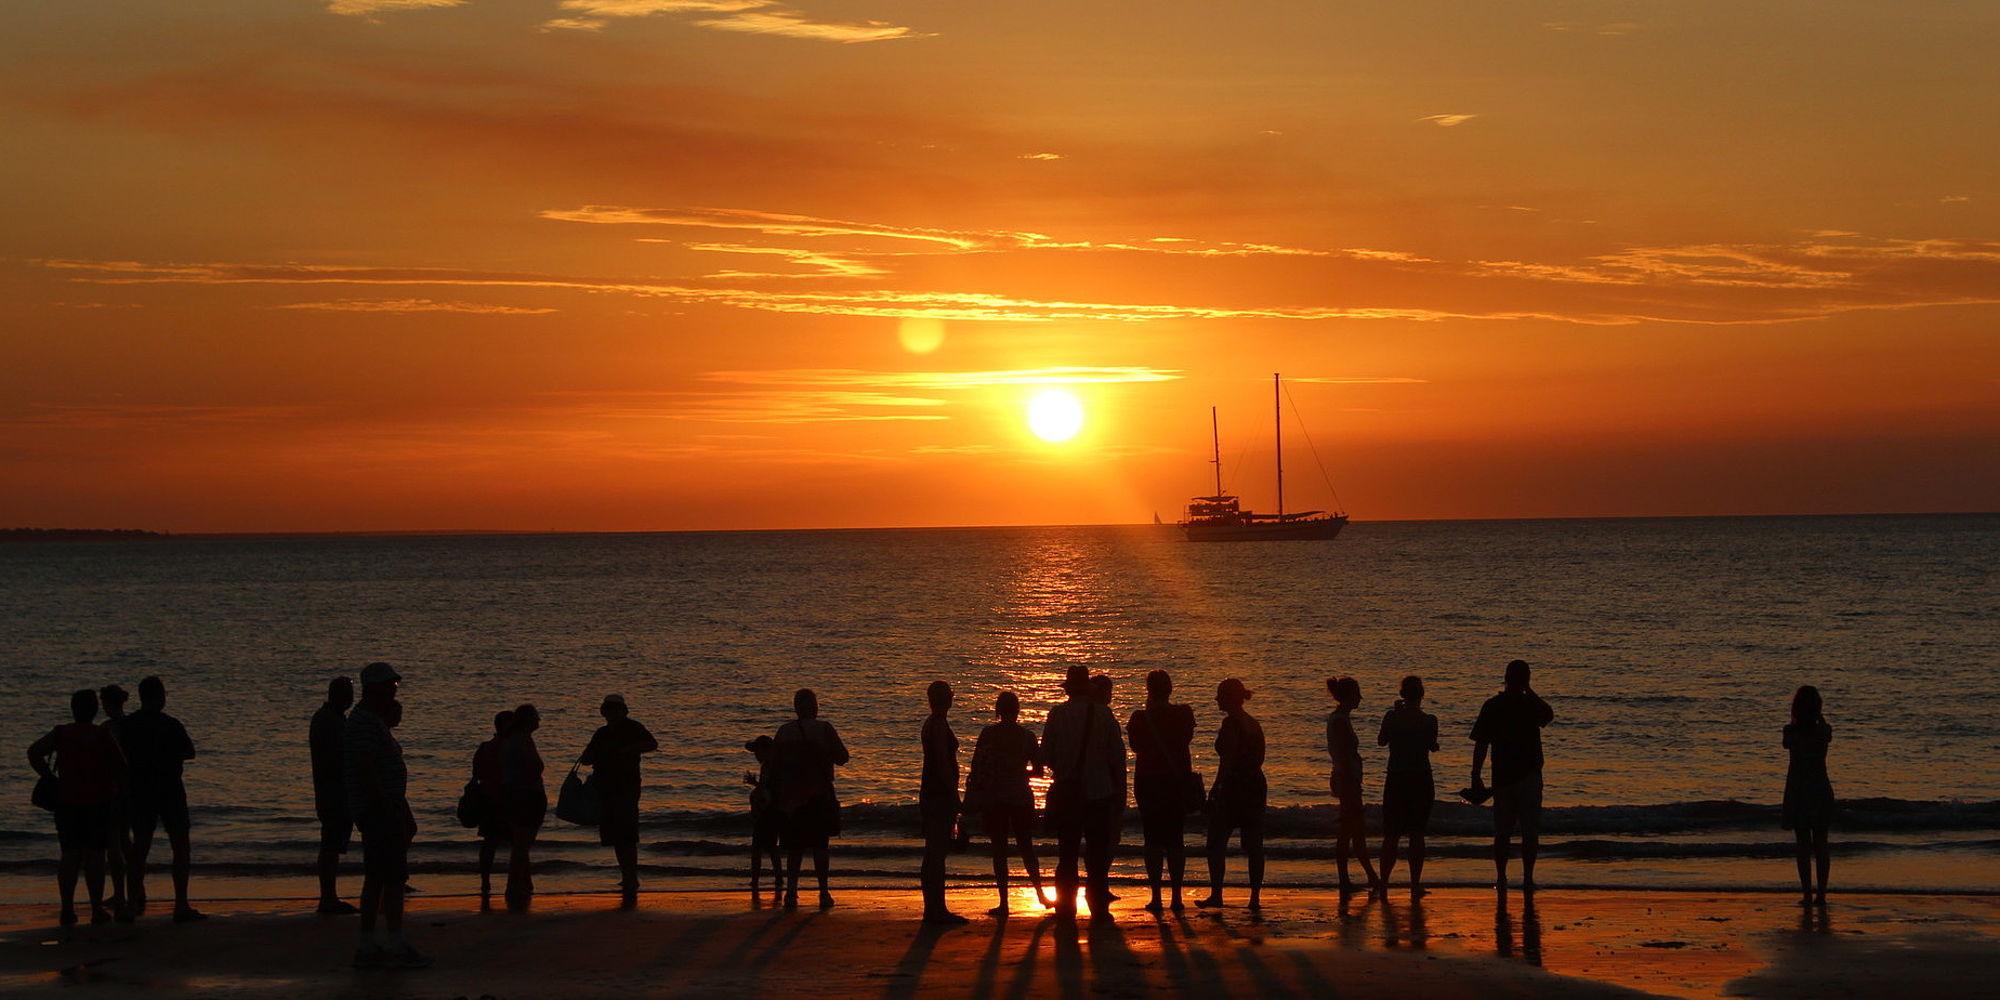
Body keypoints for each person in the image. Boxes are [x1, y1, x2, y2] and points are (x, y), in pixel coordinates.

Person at [343, 662, 427, 969]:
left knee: (378, 877)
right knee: (391, 878)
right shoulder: (365, 723)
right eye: (390, 687)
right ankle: (393, 943)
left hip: (381, 808)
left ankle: (371, 945)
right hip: (379, 811)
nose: (394, 692)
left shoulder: (370, 721)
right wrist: (387, 806)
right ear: (374, 689)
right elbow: (366, 768)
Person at [27, 689, 127, 927]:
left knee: (69, 855)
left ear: (73, 709)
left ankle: (68, 909)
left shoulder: (62, 733)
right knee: (95, 857)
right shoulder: (102, 735)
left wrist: (49, 777)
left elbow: (34, 752)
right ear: (95, 710)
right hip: (98, 801)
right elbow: (121, 767)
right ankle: (95, 909)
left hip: (67, 801)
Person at [1041, 665, 1125, 917]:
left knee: (1067, 853)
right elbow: (1117, 759)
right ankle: (1098, 905)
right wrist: (1119, 793)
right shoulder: (1104, 715)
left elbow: (1046, 756)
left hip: (1068, 791)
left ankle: (1066, 906)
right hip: (1099, 793)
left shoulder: (1057, 715)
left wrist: (1063, 766)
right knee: (1097, 854)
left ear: (1068, 690)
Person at [1470, 659, 1555, 893]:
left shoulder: (1493, 705)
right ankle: (1526, 878)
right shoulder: (1529, 704)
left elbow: (1481, 743)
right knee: (1528, 831)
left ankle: (1502, 877)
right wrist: (1529, 689)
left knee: (1503, 832)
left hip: (1504, 776)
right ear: (1526, 679)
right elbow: (1548, 715)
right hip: (1525, 776)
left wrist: (1475, 774)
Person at [122, 675, 202, 922]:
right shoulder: (171, 724)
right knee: (180, 846)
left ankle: (131, 904)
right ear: (159, 697)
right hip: (170, 790)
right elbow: (190, 752)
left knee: (140, 848)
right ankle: (180, 904)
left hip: (140, 791)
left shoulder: (129, 725)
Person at [962, 691, 1048, 917]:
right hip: (1020, 795)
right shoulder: (1027, 736)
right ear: (1017, 710)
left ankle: (1004, 903)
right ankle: (1040, 893)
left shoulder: (988, 734)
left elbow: (977, 767)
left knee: (999, 849)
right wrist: (1020, 772)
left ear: (998, 711)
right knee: (1026, 846)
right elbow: (1039, 770)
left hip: (995, 796)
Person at [772, 688, 850, 911]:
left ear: (796, 708)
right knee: (820, 847)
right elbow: (843, 757)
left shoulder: (784, 732)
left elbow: (774, 765)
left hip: (791, 799)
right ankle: (824, 892)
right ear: (815, 707)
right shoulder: (824, 729)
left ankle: (791, 893)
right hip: (819, 795)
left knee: (794, 849)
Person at [1127, 669, 1195, 914]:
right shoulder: (1183, 714)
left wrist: (1148, 710)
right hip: (1176, 781)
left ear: (1149, 690)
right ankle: (1177, 896)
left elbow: (1135, 746)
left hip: (1149, 781)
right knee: (1176, 839)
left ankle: (1156, 895)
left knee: (1152, 840)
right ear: (1170, 689)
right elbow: (1186, 738)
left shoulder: (1140, 718)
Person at [1199, 678, 1266, 910]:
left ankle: (1217, 894)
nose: (1217, 699)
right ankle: (1254, 898)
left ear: (1230, 698)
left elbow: (1226, 762)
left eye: (1220, 695)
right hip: (1255, 784)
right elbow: (1259, 758)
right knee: (1254, 844)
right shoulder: (1253, 723)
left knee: (1216, 842)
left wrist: (1216, 789)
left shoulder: (1231, 724)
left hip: (1234, 786)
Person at [581, 694, 659, 895]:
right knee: (616, 835)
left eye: (615, 709)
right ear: (604, 711)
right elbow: (587, 759)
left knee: (627, 833)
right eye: (608, 709)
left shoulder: (633, 728)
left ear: (623, 711)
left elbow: (652, 744)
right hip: (606, 789)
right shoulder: (602, 733)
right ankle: (626, 875)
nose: (612, 712)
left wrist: (628, 749)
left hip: (626, 788)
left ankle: (630, 876)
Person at [1377, 675, 1438, 899]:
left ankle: (1384, 883)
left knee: (1391, 835)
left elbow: (1381, 740)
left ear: (1402, 695)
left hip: (1396, 779)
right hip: (1421, 779)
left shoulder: (1392, 717)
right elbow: (1433, 745)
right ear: (1421, 695)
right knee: (1417, 833)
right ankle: (1414, 884)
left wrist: (1394, 715)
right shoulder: (1429, 720)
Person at [1326, 676, 1383, 898]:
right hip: (1347, 780)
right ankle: (1352, 879)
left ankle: (1369, 877)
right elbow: (1343, 754)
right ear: (1349, 696)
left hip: (1348, 779)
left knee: (1353, 830)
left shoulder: (1340, 718)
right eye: (1357, 694)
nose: (1360, 698)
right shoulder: (1339, 720)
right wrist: (1348, 781)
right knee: (1350, 830)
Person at [917, 681, 968, 925]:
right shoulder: (937, 725)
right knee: (937, 852)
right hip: (938, 793)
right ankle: (936, 909)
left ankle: (934, 908)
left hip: (932, 791)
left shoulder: (934, 723)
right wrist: (953, 794)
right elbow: (942, 763)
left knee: (934, 852)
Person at [1783, 685, 1834, 906]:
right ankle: (1821, 894)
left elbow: (1788, 743)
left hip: (1799, 789)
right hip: (1820, 787)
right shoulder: (1824, 731)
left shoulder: (1791, 733)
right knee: (1821, 842)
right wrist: (1819, 718)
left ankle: (1806, 894)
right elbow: (1824, 733)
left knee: (1803, 844)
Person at [311, 676, 357, 915]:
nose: (351, 698)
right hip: (333, 792)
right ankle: (327, 898)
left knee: (332, 844)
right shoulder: (329, 721)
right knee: (330, 845)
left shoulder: (332, 718)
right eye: (348, 694)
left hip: (334, 791)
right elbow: (338, 758)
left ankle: (329, 896)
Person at [500, 704, 547, 907]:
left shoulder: (523, 739)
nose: (539, 720)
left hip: (525, 795)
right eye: (536, 717)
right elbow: (528, 769)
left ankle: (522, 883)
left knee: (523, 844)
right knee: (521, 844)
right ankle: (514, 885)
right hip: (523, 796)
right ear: (528, 720)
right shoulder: (518, 741)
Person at [98, 684, 135, 921]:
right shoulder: (132, 725)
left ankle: (121, 894)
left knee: (114, 844)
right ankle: (135, 891)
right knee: (126, 842)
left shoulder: (107, 729)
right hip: (131, 789)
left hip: (113, 790)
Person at [472, 710, 514, 902]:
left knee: (490, 842)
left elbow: (477, 772)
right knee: (517, 843)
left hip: (490, 798)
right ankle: (514, 881)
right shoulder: (509, 746)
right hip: (505, 799)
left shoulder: (485, 747)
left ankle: (486, 880)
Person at [743, 736, 783, 898]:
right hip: (770, 812)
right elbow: (768, 788)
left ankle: (756, 880)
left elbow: (768, 791)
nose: (756, 755)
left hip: (767, 813)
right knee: (771, 847)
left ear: (766, 750)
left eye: (758, 751)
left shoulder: (769, 766)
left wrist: (759, 809)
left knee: (758, 849)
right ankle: (778, 878)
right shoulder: (771, 766)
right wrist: (755, 784)